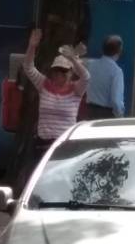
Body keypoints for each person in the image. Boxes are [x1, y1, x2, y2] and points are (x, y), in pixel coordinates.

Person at [22, 29, 89, 160]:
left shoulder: (76, 89)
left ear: (70, 73)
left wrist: (73, 60)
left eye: (63, 71)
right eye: (56, 71)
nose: (59, 75)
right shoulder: (44, 84)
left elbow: (86, 77)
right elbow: (28, 67)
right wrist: (32, 46)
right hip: (43, 144)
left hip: (65, 144)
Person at [85, 35, 125, 118]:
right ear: (119, 51)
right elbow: (115, 100)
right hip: (106, 114)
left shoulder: (90, 65)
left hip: (89, 110)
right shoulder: (116, 71)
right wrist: (120, 114)